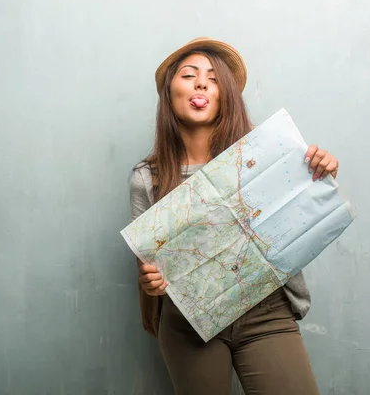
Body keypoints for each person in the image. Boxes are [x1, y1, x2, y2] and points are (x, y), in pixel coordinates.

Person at [128, 37, 339, 395]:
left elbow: (300, 214)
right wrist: (150, 280)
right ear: (169, 93)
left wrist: (319, 169)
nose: (201, 84)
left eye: (213, 78)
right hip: (188, 322)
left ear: (225, 94)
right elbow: (148, 265)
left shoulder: (266, 155)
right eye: (189, 75)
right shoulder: (146, 178)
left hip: (266, 311)